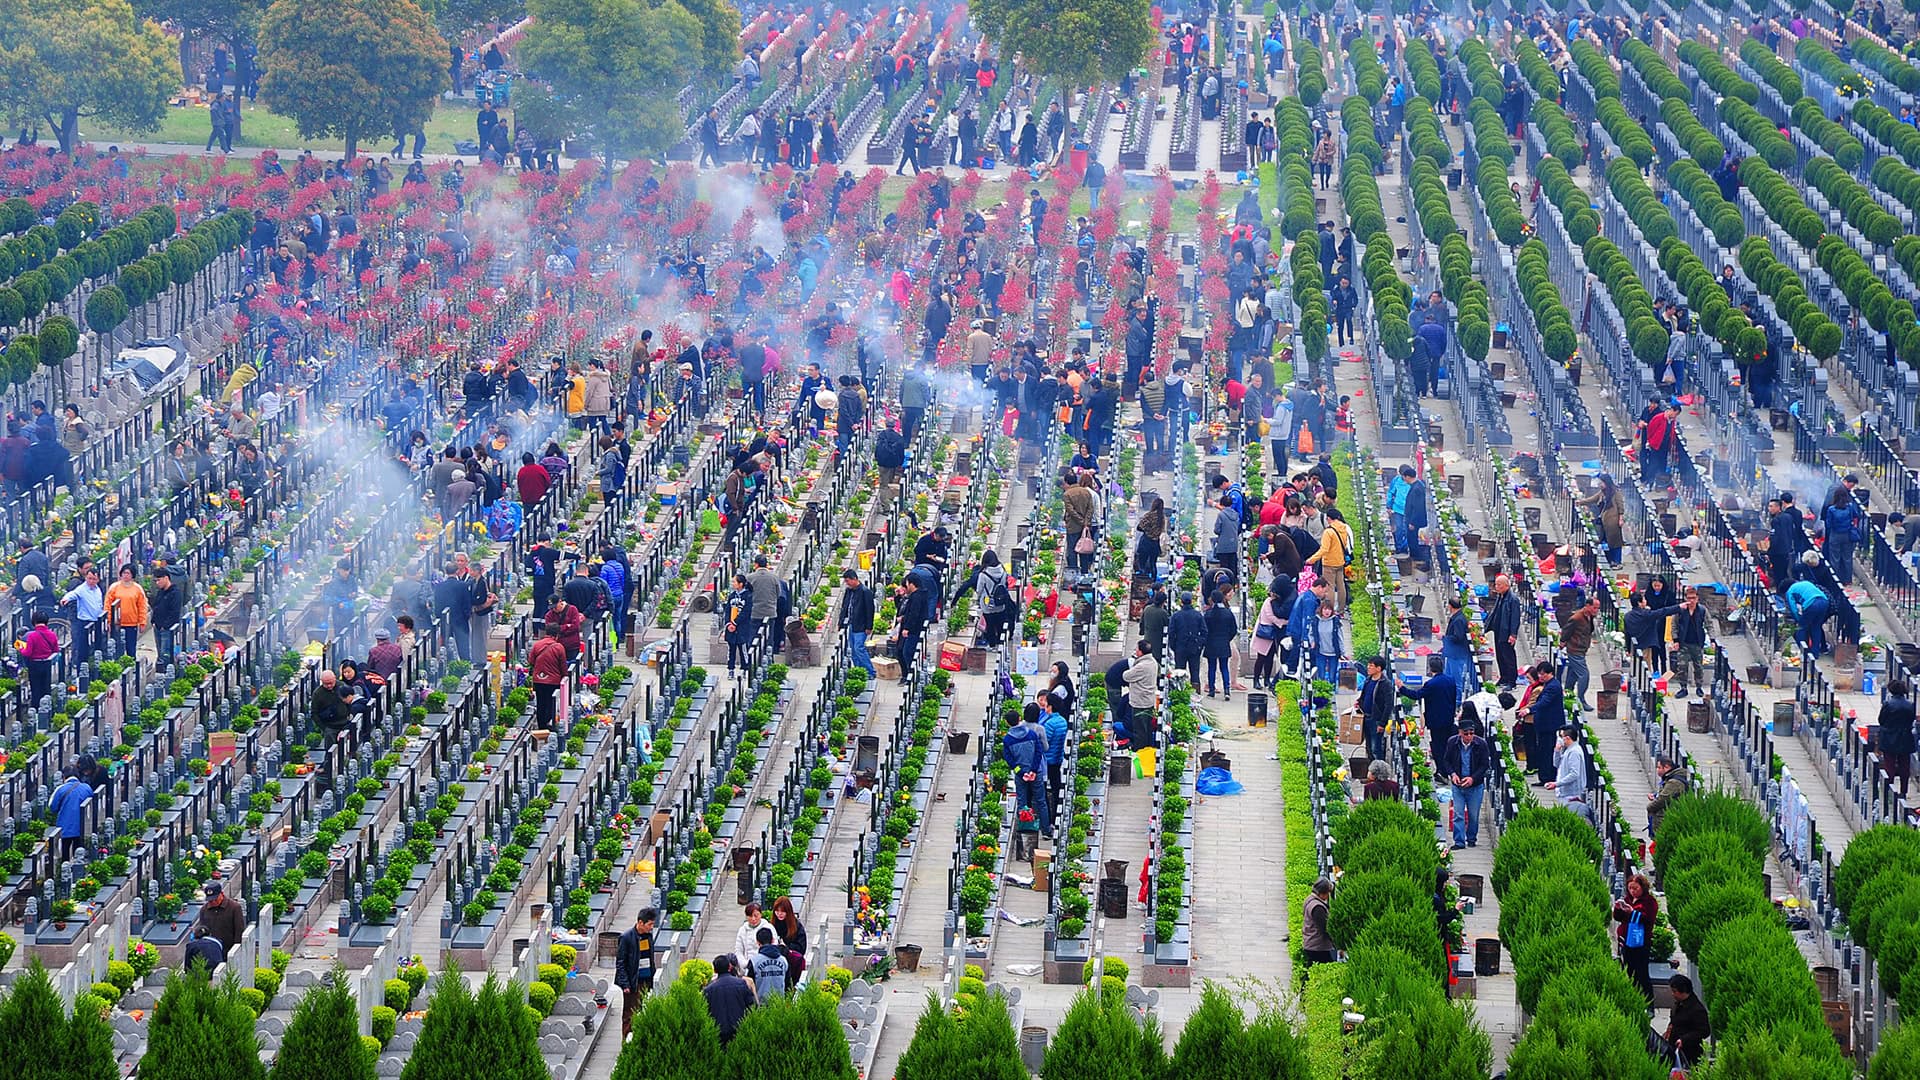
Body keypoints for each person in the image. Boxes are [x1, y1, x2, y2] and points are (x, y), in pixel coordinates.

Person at [1441, 719, 1492, 848]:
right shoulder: (1452, 742)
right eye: (1466, 733)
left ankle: (1471, 838)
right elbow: (1446, 761)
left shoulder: (1481, 744)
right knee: (1458, 813)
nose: (1469, 736)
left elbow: (1484, 765)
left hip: (1475, 785)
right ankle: (1459, 841)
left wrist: (1472, 778)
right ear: (1460, 733)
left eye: (1471, 733)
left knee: (1473, 815)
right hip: (1458, 784)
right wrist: (1453, 774)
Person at [1401, 655, 1459, 763]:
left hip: (1436, 721)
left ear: (1430, 668)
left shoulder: (1431, 684)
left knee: (1438, 746)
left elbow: (1416, 695)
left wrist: (1401, 688)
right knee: (1447, 744)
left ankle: (1442, 770)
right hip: (1448, 719)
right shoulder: (1451, 680)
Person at [1003, 701, 1050, 833]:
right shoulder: (1031, 734)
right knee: (1041, 802)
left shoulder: (1007, 740)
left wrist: (1021, 773)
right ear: (1019, 719)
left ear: (1007, 723)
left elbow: (1010, 760)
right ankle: (1046, 830)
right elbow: (1038, 752)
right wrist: (1033, 771)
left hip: (1021, 776)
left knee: (1022, 801)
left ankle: (1023, 829)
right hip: (1036, 773)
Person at [1614, 874, 1659, 1003]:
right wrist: (1618, 909)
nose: (1632, 891)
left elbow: (1648, 919)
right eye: (1630, 888)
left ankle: (1648, 1001)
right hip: (1626, 941)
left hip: (1641, 943)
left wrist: (1632, 912)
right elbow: (1619, 918)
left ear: (1642, 888)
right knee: (1628, 971)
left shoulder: (1650, 902)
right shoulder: (1628, 899)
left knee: (1641, 973)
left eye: (1636, 888)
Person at [955, 550, 1014, 647]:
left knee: (990, 625)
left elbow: (979, 590)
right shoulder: (1002, 570)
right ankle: (1001, 643)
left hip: (987, 603)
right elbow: (1005, 585)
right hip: (1000, 602)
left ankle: (992, 644)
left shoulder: (983, 574)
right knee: (1000, 624)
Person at [613, 908, 658, 1036]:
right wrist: (625, 984)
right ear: (640, 922)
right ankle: (626, 1042)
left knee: (643, 1011)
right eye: (649, 924)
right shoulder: (626, 937)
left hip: (647, 980)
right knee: (630, 1014)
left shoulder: (648, 936)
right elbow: (621, 962)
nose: (651, 927)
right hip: (633, 982)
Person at [703, 954, 756, 1045]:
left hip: (719, 1031)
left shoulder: (709, 990)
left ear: (715, 970)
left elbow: (706, 1011)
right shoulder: (742, 984)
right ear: (729, 967)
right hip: (739, 1028)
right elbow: (751, 1005)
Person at [1665, 973, 1712, 1067]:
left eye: (1675, 991)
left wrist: (1685, 1039)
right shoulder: (1680, 1004)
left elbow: (1704, 1031)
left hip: (1689, 1053)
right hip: (1675, 1047)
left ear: (1684, 991)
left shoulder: (1697, 1009)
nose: (1673, 994)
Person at [1559, 596, 1597, 710]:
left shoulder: (1589, 616)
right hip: (1575, 649)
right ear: (1588, 606)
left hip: (1581, 649)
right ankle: (1581, 699)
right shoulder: (1577, 618)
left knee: (1573, 674)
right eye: (1595, 608)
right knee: (1584, 674)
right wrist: (1562, 641)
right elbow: (1567, 630)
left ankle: (1567, 694)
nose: (1596, 610)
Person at [1670, 587, 1709, 698]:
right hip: (1684, 642)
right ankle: (1683, 687)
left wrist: (1712, 639)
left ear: (1697, 598)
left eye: (1693, 598)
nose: (1691, 601)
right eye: (1689, 598)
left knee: (1698, 667)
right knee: (1682, 666)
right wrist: (1675, 640)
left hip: (1697, 642)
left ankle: (1699, 687)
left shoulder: (1702, 610)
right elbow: (1674, 626)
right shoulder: (1681, 610)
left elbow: (1709, 624)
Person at [529, 621, 568, 728]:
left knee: (540, 703)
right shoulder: (559, 647)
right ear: (556, 635)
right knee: (551, 704)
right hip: (553, 681)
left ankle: (541, 726)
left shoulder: (537, 645)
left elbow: (531, 661)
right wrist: (565, 678)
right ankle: (549, 725)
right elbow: (563, 666)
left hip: (538, 680)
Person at [1485, 574, 1521, 689]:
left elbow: (1515, 618)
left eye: (1499, 584)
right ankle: (1503, 677)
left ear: (1506, 585)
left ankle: (1512, 681)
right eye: (1496, 584)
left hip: (1507, 633)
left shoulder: (1513, 599)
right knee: (1500, 656)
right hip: (1498, 631)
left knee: (1508, 657)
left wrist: (1513, 634)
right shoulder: (1500, 596)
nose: (1496, 586)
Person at [1880, 680, 1915, 799]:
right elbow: (1911, 719)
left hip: (1889, 737)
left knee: (1889, 764)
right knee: (1904, 765)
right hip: (1905, 738)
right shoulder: (1909, 705)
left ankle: (1889, 790)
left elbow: (1881, 720)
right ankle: (1903, 791)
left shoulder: (1888, 704)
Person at [104, 564, 148, 658]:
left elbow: (142, 606)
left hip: (131, 623)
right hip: (117, 623)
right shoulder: (114, 587)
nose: (126, 575)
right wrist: (108, 620)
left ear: (132, 575)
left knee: (131, 648)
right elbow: (108, 605)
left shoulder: (137, 589)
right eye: (124, 573)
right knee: (117, 647)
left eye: (128, 573)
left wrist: (142, 622)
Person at [1123, 642, 1161, 749]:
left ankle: (1140, 752)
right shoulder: (1153, 662)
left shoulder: (1142, 666)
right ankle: (1148, 750)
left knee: (1139, 731)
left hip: (1140, 703)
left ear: (1140, 652)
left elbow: (1126, 676)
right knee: (1147, 730)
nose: (1135, 651)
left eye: (1136, 649)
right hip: (1149, 701)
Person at [1823, 486, 1864, 586]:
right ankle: (1847, 580)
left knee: (1835, 558)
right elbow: (1856, 516)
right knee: (1847, 558)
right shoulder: (1849, 507)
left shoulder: (1831, 509)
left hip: (1835, 535)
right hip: (1848, 534)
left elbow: (1828, 524)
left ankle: (1835, 579)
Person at [1203, 591, 1240, 698]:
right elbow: (1234, 629)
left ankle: (1211, 689)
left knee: (1212, 667)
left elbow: (1204, 630)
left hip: (1211, 643)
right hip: (1224, 643)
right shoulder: (1228, 613)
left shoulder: (1208, 614)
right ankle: (1227, 690)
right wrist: (1227, 639)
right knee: (1224, 667)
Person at [1785, 576, 1832, 660]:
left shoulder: (1790, 591)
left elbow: (1793, 609)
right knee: (1816, 627)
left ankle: (1802, 651)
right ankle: (1815, 653)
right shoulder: (1806, 582)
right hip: (1824, 602)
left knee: (1801, 627)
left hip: (1811, 604)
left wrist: (1798, 619)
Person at [1248, 589, 1288, 688]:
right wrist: (1283, 622)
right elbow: (1271, 616)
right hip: (1265, 633)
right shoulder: (1268, 602)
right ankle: (1256, 679)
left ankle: (1267, 679)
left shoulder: (1277, 602)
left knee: (1270, 658)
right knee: (1261, 658)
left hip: (1273, 634)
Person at [1646, 753, 1692, 838]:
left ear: (1666, 767)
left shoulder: (1674, 782)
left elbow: (1663, 799)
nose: (1657, 770)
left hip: (1665, 821)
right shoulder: (1670, 779)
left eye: (1659, 767)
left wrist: (1649, 807)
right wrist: (1655, 796)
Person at [49, 767, 91, 858]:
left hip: (65, 826)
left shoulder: (61, 789)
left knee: (65, 853)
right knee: (79, 853)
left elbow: (53, 807)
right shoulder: (86, 788)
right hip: (81, 826)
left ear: (64, 777)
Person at [840, 571, 875, 678]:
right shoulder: (849, 591)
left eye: (848, 581)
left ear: (854, 579)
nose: (847, 583)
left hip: (861, 625)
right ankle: (859, 670)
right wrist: (840, 622)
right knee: (853, 650)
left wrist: (869, 626)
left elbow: (870, 610)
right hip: (852, 624)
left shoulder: (865, 592)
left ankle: (870, 671)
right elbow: (845, 606)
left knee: (859, 648)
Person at [17, 612, 57, 706]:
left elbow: (27, 653)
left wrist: (21, 648)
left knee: (36, 689)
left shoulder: (32, 636)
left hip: (34, 665)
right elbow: (55, 650)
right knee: (46, 687)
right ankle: (48, 708)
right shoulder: (52, 634)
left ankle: (36, 709)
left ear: (34, 622)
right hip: (47, 664)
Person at [1359, 656, 1394, 762]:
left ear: (1379, 668)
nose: (1368, 667)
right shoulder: (1368, 680)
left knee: (1376, 748)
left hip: (1376, 719)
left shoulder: (1385, 684)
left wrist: (1382, 723)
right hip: (1366, 717)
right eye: (1368, 665)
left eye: (1371, 666)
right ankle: (1371, 770)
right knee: (1369, 746)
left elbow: (1388, 705)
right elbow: (1365, 695)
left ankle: (1380, 772)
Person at [770, 896, 807, 989]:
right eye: (777, 911)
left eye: (782, 911)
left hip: (792, 963)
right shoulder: (772, 926)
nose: (779, 914)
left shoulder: (797, 926)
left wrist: (786, 947)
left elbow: (801, 948)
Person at [1170, 593, 1205, 689]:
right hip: (1194, 647)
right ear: (1192, 602)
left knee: (1179, 672)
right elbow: (1204, 631)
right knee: (1195, 671)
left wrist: (1174, 646)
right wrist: (1200, 643)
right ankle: (1196, 692)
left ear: (1181, 602)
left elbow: (1171, 632)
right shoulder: (1197, 615)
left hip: (1180, 647)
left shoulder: (1176, 616)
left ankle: (1180, 692)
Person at [1547, 725, 1587, 807]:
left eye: (1561, 737)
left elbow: (1574, 774)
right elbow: (1557, 764)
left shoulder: (1574, 752)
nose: (1560, 739)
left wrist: (1556, 784)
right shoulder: (1567, 750)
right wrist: (1557, 751)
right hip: (1565, 792)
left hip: (1571, 794)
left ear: (1568, 738)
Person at [1301, 878, 1337, 968]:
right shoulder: (1318, 908)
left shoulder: (1309, 899)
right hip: (1318, 947)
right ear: (1323, 893)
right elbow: (1324, 929)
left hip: (1310, 943)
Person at [750, 926, 789, 1000]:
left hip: (760, 1006)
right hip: (779, 1004)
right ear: (773, 940)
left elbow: (749, 985)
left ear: (757, 942)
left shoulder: (754, 962)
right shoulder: (783, 961)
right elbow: (788, 984)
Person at [733, 903, 772, 975]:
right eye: (750, 916)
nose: (753, 919)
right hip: (746, 966)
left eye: (756, 916)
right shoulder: (742, 930)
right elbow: (738, 950)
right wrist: (745, 964)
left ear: (761, 914)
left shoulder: (768, 928)